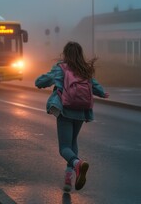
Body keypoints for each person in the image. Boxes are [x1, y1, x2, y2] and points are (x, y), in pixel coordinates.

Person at [35, 41, 109, 193]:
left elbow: (41, 82)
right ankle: (68, 178)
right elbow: (96, 86)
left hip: (65, 111)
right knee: (73, 142)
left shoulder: (61, 68)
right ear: (80, 54)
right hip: (81, 112)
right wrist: (102, 93)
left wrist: (40, 82)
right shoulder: (85, 70)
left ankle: (77, 164)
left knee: (64, 148)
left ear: (65, 54)